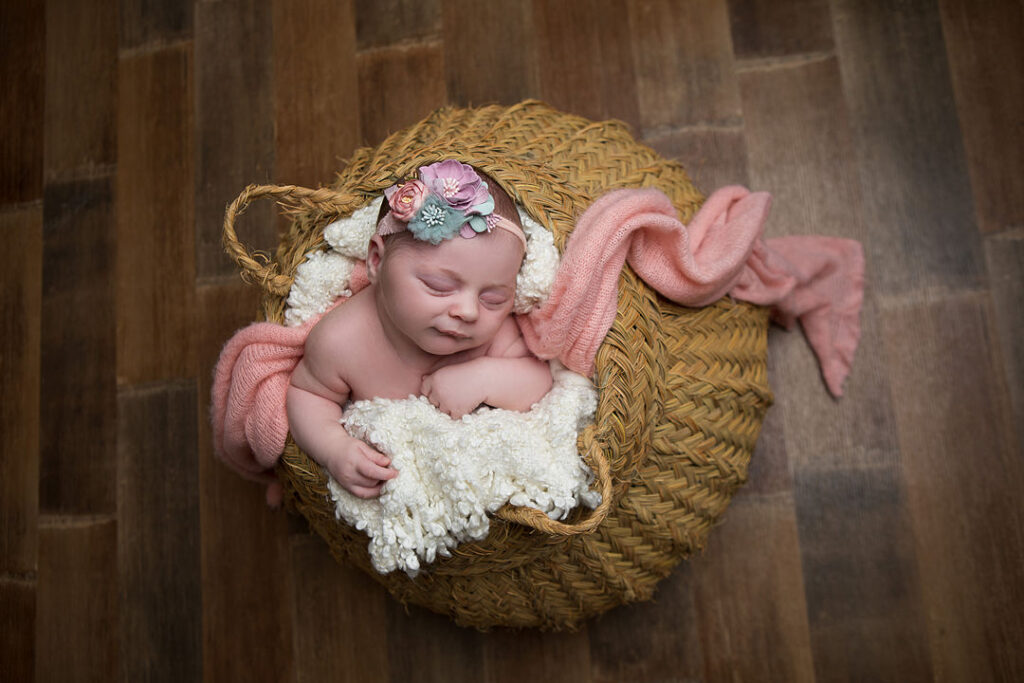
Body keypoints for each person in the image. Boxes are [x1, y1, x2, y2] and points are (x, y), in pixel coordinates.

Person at [286, 160, 554, 499]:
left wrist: (485, 378)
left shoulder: (493, 337)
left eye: (493, 298)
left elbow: (540, 380)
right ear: (377, 262)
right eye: (439, 286)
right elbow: (307, 394)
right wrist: (334, 448)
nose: (468, 311)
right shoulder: (341, 340)